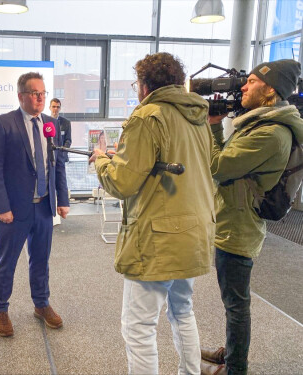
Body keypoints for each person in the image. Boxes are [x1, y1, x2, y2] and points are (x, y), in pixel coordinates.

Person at [89, 52, 215, 374]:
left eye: (136, 84)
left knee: (138, 326)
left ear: (145, 86)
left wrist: (102, 160)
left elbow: (121, 182)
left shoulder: (147, 116)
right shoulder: (197, 117)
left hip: (160, 238)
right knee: (182, 311)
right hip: (194, 232)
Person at [200, 60, 303, 375]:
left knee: (236, 304)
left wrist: (213, 126)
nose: (243, 86)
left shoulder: (270, 133)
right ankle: (232, 353)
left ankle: (235, 368)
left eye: (252, 81)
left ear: (270, 89)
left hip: (238, 228)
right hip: (236, 219)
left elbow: (218, 167)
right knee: (232, 299)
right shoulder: (261, 124)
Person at [0, 72, 70, 337]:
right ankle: (0, 309)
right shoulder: (3, 124)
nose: (40, 98)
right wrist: (1, 207)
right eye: (35, 93)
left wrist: (63, 199)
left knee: (41, 260)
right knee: (7, 261)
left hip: (44, 207)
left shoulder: (49, 125)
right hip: (14, 210)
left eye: (43, 93)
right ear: (21, 96)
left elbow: (56, 165)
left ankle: (41, 304)